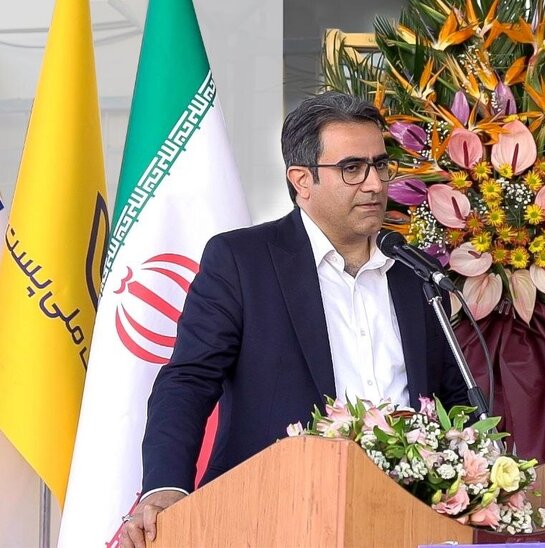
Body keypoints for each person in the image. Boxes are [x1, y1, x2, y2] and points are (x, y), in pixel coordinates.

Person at [119, 91, 469, 547]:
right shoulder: (243, 261)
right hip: (273, 516)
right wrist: (166, 487)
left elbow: (453, 394)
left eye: (380, 165)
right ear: (302, 180)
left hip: (408, 519)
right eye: (352, 168)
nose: (374, 184)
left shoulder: (413, 271)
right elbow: (189, 380)